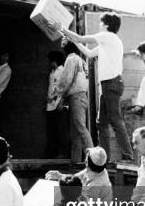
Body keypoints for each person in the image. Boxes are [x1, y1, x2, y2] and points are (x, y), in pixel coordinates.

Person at [49, 13, 133, 163]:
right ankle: (104, 158)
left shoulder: (108, 36)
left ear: (106, 25)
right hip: (108, 84)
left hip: (112, 83)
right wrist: (73, 41)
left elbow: (81, 39)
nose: (99, 25)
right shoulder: (106, 44)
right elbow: (88, 53)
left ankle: (127, 155)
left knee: (115, 120)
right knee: (101, 123)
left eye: (101, 23)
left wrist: (61, 29)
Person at [56, 39, 94, 164]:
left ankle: (94, 158)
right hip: (81, 96)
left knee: (80, 128)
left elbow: (67, 79)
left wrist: (60, 95)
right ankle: (76, 161)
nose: (61, 44)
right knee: (76, 132)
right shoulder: (81, 60)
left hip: (76, 97)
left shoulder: (71, 59)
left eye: (63, 42)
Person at [46, 50, 70, 158]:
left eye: (51, 61)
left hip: (57, 103)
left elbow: (63, 88)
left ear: (54, 61)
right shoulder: (53, 71)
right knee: (53, 130)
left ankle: (63, 153)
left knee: (61, 129)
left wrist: (60, 101)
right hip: (51, 105)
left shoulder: (62, 71)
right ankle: (54, 153)